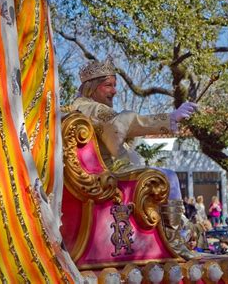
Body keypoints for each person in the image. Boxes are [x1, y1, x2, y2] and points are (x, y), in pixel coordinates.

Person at [71, 58, 198, 259]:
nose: (114, 91)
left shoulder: (83, 106)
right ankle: (175, 239)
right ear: (92, 87)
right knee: (170, 177)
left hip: (102, 173)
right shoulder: (91, 107)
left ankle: (176, 232)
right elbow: (120, 124)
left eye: (114, 85)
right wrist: (170, 118)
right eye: (108, 85)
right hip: (107, 173)